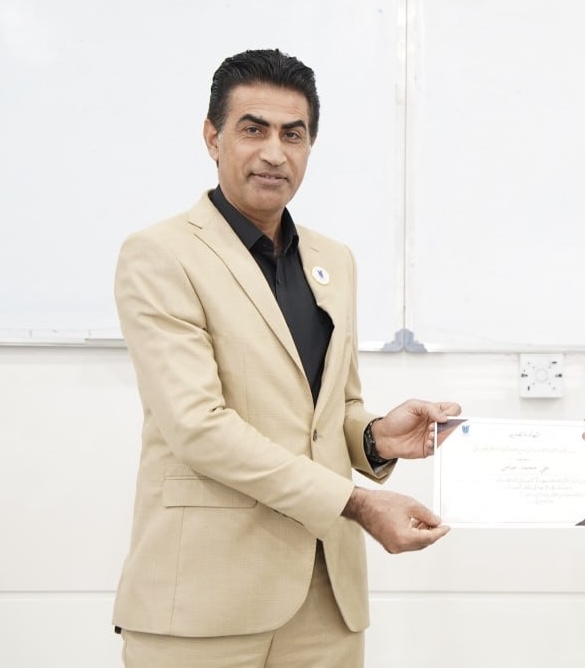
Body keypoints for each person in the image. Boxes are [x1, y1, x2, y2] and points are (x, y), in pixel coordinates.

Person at [112, 48, 460, 668]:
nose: (275, 152)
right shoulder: (161, 255)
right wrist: (356, 503)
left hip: (327, 603)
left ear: (309, 146)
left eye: (293, 135)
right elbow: (198, 427)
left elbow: (333, 409)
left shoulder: (334, 260)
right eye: (254, 130)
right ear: (212, 137)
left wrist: (376, 438)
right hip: (206, 602)